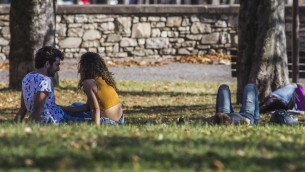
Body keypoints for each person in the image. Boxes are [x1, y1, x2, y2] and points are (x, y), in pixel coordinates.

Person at [61, 52, 124, 125]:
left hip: (108, 122)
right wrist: (66, 108)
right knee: (76, 104)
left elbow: (95, 109)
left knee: (66, 117)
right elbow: (88, 107)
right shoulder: (104, 79)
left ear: (85, 68)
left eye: (81, 66)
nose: (79, 70)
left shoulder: (88, 83)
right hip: (120, 120)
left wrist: (96, 127)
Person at [14, 46, 66, 123]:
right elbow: (37, 110)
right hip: (53, 119)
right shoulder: (45, 81)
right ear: (47, 64)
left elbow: (23, 108)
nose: (58, 69)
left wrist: (16, 124)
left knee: (76, 105)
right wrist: (26, 130)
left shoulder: (27, 77)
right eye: (57, 65)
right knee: (86, 117)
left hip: (55, 113)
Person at [177, 83, 260, 125]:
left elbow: (202, 120)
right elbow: (246, 122)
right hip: (245, 116)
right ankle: (256, 120)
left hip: (223, 115)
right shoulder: (240, 123)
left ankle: (255, 120)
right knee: (250, 86)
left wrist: (187, 120)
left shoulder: (214, 121)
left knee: (223, 88)